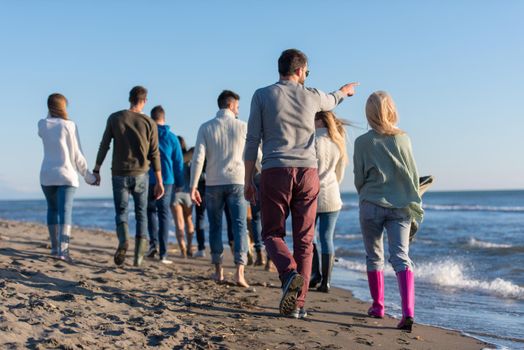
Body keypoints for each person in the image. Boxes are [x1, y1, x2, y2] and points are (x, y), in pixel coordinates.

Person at [244, 48, 359, 318]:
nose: (307, 76)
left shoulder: (262, 95)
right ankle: (298, 305)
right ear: (299, 70)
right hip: (308, 172)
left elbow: (252, 141)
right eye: (306, 72)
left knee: (272, 234)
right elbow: (333, 100)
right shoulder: (312, 96)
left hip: (275, 171)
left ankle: (288, 275)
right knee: (305, 241)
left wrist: (248, 179)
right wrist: (345, 90)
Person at [353, 91, 423, 332]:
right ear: (391, 110)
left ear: (369, 113)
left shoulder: (362, 142)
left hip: (371, 203)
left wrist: (368, 192)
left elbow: (359, 178)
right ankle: (408, 313)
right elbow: (412, 175)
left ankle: (378, 306)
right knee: (401, 257)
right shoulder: (404, 139)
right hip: (400, 205)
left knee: (374, 256)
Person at [93, 86, 164, 267]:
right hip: (141, 174)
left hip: (119, 173)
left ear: (129, 98)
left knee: (121, 211)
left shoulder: (115, 118)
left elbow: (104, 145)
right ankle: (138, 257)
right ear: (145, 101)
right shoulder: (149, 123)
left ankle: (124, 240)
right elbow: (155, 153)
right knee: (142, 214)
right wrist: (160, 180)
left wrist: (96, 169)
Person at [190, 90, 249, 288]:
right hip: (237, 181)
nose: (239, 110)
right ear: (231, 105)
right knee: (240, 226)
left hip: (213, 182)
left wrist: (193, 186)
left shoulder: (205, 127)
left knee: (215, 226)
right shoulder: (242, 127)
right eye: (238, 106)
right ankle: (240, 273)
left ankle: (218, 271)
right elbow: (256, 155)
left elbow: (198, 158)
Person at [38, 93, 96, 262]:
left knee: (52, 210)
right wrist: (89, 177)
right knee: (65, 212)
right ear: (64, 107)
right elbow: (77, 155)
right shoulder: (69, 125)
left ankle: (54, 249)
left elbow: (45, 129)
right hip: (66, 175)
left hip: (47, 174)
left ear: (49, 107)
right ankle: (64, 251)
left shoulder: (42, 124)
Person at [309, 111, 348, 293]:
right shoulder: (338, 141)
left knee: (309, 238)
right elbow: (339, 174)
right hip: (332, 195)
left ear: (319, 121)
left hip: (311, 196)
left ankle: (315, 274)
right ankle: (326, 282)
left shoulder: (310, 141)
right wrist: (331, 184)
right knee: (327, 238)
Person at [146, 106, 184, 264]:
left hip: (148, 178)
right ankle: (163, 253)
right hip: (167, 181)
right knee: (163, 215)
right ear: (164, 118)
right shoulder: (172, 138)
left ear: (151, 118)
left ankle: (153, 244)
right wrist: (180, 183)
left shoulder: (147, 136)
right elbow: (178, 163)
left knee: (150, 212)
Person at [170, 136, 195, 258]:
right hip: (187, 194)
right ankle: (190, 247)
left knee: (179, 223)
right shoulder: (188, 160)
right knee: (189, 221)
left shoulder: (172, 160)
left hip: (174, 194)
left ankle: (183, 249)